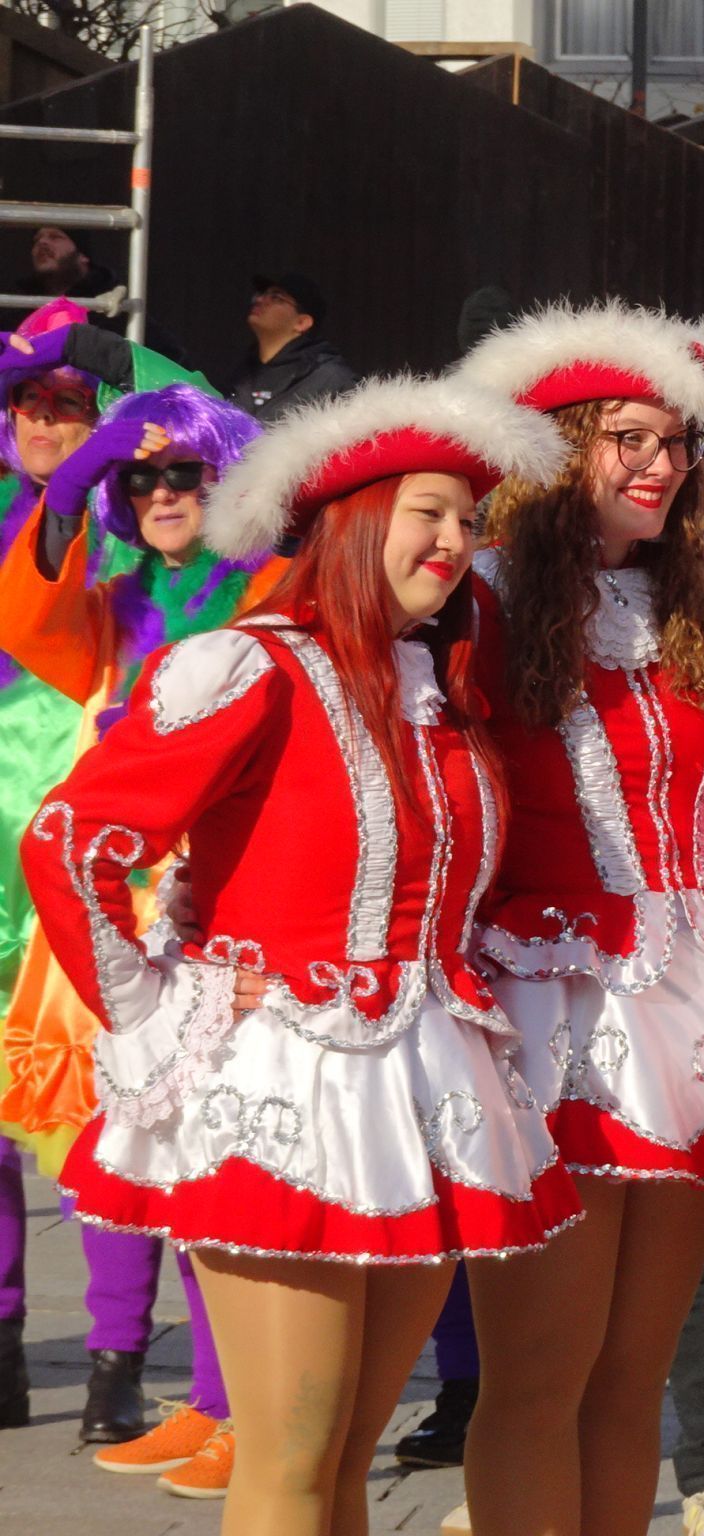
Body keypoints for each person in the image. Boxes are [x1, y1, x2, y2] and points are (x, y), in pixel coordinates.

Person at [30, 376, 576, 1536]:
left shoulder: (442, 689)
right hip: (282, 1090)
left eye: (467, 518)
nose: (454, 541)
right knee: (288, 1464)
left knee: (342, 1464)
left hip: (421, 1091)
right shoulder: (252, 669)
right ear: (355, 520)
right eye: (428, 512)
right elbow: (71, 842)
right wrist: (157, 1010)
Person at [446, 301, 704, 1536]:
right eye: (626, 438)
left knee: (632, 1378)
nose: (660, 464)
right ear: (558, 449)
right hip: (549, 1006)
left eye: (675, 441)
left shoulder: (701, 587)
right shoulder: (477, 594)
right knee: (539, 1380)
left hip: (691, 998)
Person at [0, 383, 276, 1489]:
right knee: (119, 1136)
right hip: (124, 901)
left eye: (185, 473)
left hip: (230, 897)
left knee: (215, 1154)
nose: (162, 494)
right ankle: (118, 1376)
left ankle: (231, 1401)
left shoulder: (275, 588)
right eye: (142, 477)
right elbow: (28, 621)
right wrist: (70, 486)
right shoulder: (114, 604)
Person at [0, 301, 210, 1443]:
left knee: (171, 1129)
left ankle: (180, 1384)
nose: (45, 422)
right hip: (47, 870)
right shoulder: (87, 564)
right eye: (27, 403)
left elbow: (208, 429)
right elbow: (31, 618)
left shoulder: (189, 558)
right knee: (60, 1120)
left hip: (157, 875)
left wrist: (106, 357)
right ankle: (56, 1361)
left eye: (69, 406)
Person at [225, 272, 358, 423]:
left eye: (276, 298)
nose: (260, 300)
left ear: (302, 322)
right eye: (261, 294)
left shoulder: (331, 380)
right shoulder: (239, 375)